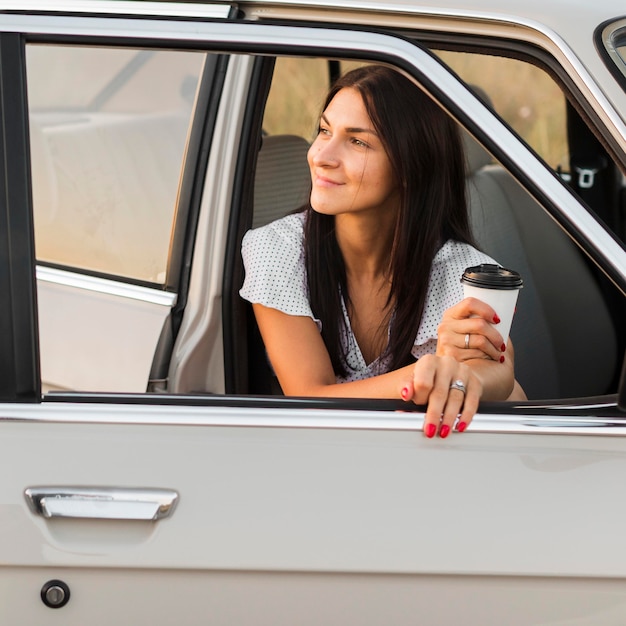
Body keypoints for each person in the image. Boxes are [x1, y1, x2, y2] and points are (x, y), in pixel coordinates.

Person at [240, 64, 525, 438]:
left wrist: (479, 377)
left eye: (357, 141)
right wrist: (424, 376)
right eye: (325, 130)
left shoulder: (463, 272)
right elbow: (311, 399)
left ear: (410, 164)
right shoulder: (276, 250)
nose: (321, 155)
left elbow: (507, 386)